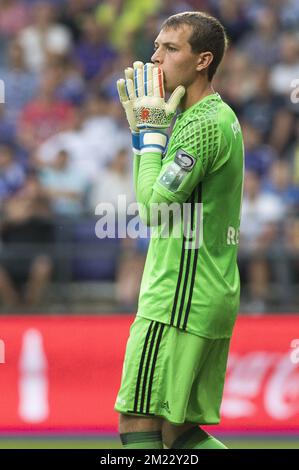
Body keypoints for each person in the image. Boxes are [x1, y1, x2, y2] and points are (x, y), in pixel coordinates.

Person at [114, 11, 244, 450]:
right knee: (178, 431)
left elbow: (151, 210)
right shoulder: (210, 118)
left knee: (137, 421)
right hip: (204, 292)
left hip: (178, 299)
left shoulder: (201, 126)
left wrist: (151, 135)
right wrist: (143, 139)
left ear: (203, 59)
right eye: (156, 46)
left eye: (170, 49)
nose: (155, 59)